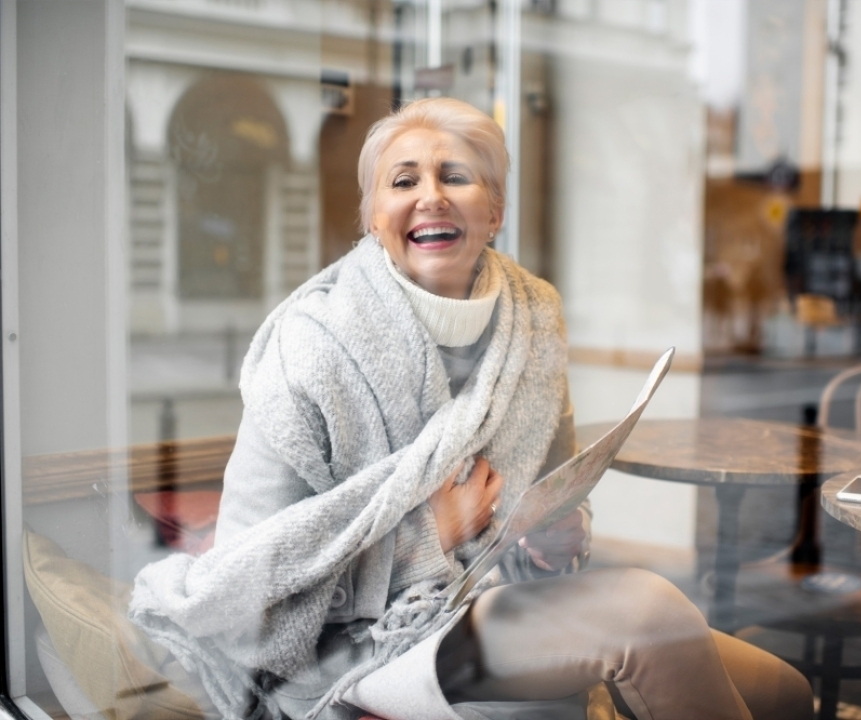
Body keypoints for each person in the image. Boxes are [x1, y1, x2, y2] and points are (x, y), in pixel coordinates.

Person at [131, 98, 813, 720]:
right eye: (403, 181)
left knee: (786, 690)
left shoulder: (533, 317)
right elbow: (249, 589)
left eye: (455, 176)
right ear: (373, 217)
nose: (431, 196)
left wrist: (555, 544)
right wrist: (430, 537)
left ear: (495, 211)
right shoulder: (307, 348)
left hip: (484, 601)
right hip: (363, 644)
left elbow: (544, 496)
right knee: (647, 611)